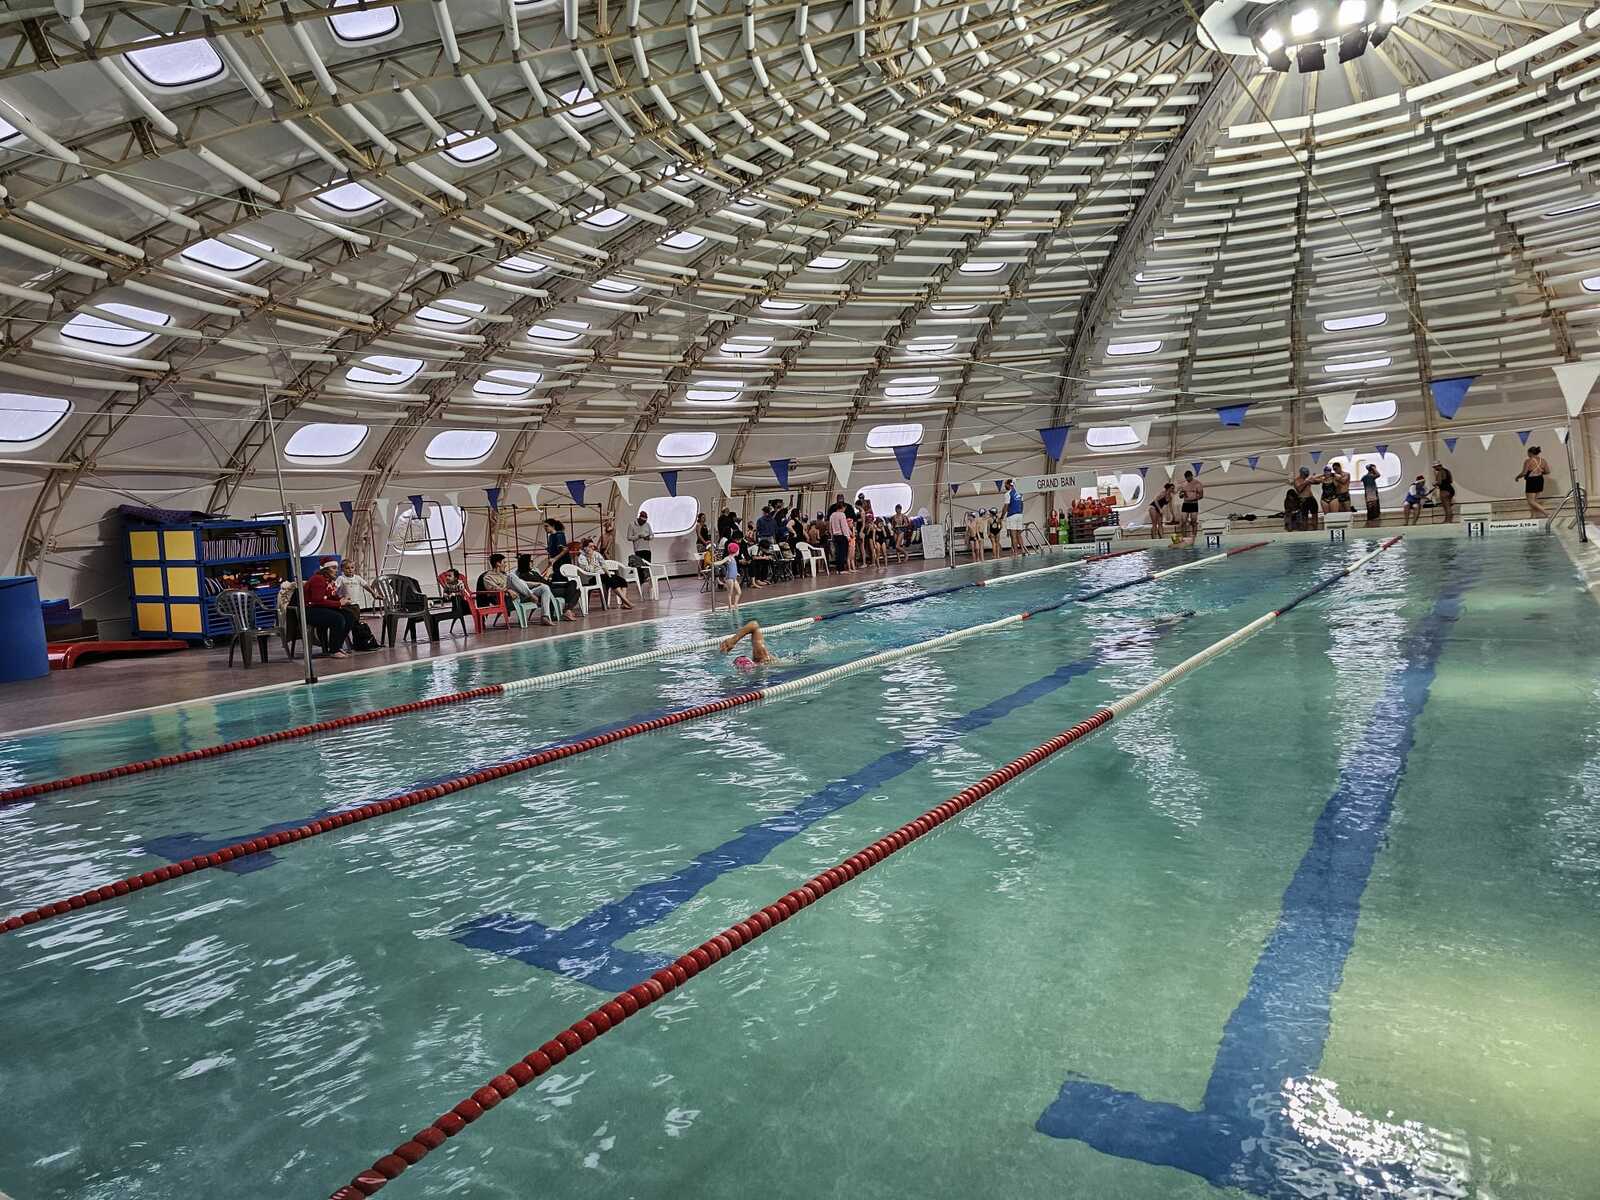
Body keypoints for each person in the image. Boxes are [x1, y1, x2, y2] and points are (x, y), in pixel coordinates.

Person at [482, 553, 560, 626]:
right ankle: (530, 595)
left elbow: (521, 583)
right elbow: (493, 589)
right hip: (507, 598)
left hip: (521, 593)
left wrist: (536, 584)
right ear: (498, 563)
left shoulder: (505, 575)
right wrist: (507, 590)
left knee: (544, 587)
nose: (505, 565)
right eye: (504, 562)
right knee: (511, 575)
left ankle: (545, 616)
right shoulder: (488, 577)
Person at [305, 557, 360, 656]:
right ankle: (334, 650)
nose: (336, 571)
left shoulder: (329, 580)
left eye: (336, 568)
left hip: (321, 608)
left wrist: (342, 600)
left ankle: (337, 646)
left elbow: (331, 596)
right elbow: (318, 601)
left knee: (349, 616)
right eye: (334, 568)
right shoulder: (318, 579)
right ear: (326, 569)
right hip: (310, 610)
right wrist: (339, 604)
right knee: (338, 618)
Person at [576, 539, 635, 609]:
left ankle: (624, 603)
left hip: (602, 575)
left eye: (593, 546)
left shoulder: (596, 554)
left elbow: (603, 565)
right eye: (590, 546)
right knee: (611, 581)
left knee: (622, 581)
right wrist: (590, 558)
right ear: (585, 548)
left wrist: (609, 574)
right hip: (592, 577)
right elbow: (589, 571)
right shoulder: (581, 557)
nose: (592, 548)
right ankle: (627, 602)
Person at [515, 552, 574, 622]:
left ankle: (568, 608)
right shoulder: (524, 575)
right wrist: (548, 575)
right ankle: (568, 609)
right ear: (525, 563)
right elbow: (539, 584)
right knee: (575, 591)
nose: (532, 563)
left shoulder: (534, 572)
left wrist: (548, 576)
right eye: (531, 561)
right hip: (546, 591)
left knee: (573, 583)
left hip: (550, 586)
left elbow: (544, 580)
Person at [1516, 444, 1552, 517]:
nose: (1527, 454)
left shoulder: (1528, 461)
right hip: (1540, 480)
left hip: (1532, 481)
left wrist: (1517, 477)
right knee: (1534, 500)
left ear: (1530, 453)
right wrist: (1539, 472)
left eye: (1528, 453)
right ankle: (1533, 516)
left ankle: (1546, 512)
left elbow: (1524, 473)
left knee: (1530, 501)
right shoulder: (1543, 460)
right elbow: (1547, 471)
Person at [1288, 467, 1321, 531]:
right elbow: (1299, 489)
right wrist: (1306, 482)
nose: (1306, 476)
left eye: (1307, 474)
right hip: (1303, 500)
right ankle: (1305, 530)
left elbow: (1318, 482)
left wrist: (1314, 478)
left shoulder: (1307, 478)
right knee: (1304, 516)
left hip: (1311, 498)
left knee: (1315, 514)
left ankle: (1315, 529)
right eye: (1305, 474)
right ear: (1301, 474)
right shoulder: (1297, 480)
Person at [1177, 470, 1204, 540]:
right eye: (1186, 478)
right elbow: (1180, 496)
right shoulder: (1183, 484)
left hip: (1194, 504)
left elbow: (1201, 495)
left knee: (1193, 522)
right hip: (1186, 504)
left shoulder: (1197, 484)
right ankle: (1184, 537)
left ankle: (1194, 537)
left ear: (1191, 476)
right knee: (1183, 521)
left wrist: (1193, 498)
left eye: (1189, 477)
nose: (1188, 479)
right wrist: (1181, 494)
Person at [1003, 479, 1025, 559]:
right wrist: (1020, 513)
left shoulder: (1008, 494)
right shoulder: (1020, 492)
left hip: (1012, 515)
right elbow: (1022, 504)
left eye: (1005, 484)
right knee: (1019, 534)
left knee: (1013, 536)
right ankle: (1023, 550)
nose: (1004, 486)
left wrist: (1002, 516)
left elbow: (1006, 507)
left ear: (1009, 485)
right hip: (1019, 515)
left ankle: (1015, 553)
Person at [717, 540, 743, 605]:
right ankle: (730, 606)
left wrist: (736, 573)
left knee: (739, 592)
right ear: (735, 551)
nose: (739, 552)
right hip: (729, 578)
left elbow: (733, 568)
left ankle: (735, 605)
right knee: (730, 593)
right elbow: (721, 562)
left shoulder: (734, 558)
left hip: (734, 578)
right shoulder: (728, 558)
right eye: (738, 550)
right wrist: (713, 563)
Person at [828, 502, 850, 573]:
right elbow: (844, 526)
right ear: (842, 507)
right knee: (842, 553)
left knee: (837, 553)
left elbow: (830, 527)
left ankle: (838, 569)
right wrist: (847, 536)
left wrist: (832, 535)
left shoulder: (832, 515)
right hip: (842, 536)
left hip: (835, 536)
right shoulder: (842, 515)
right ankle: (842, 569)